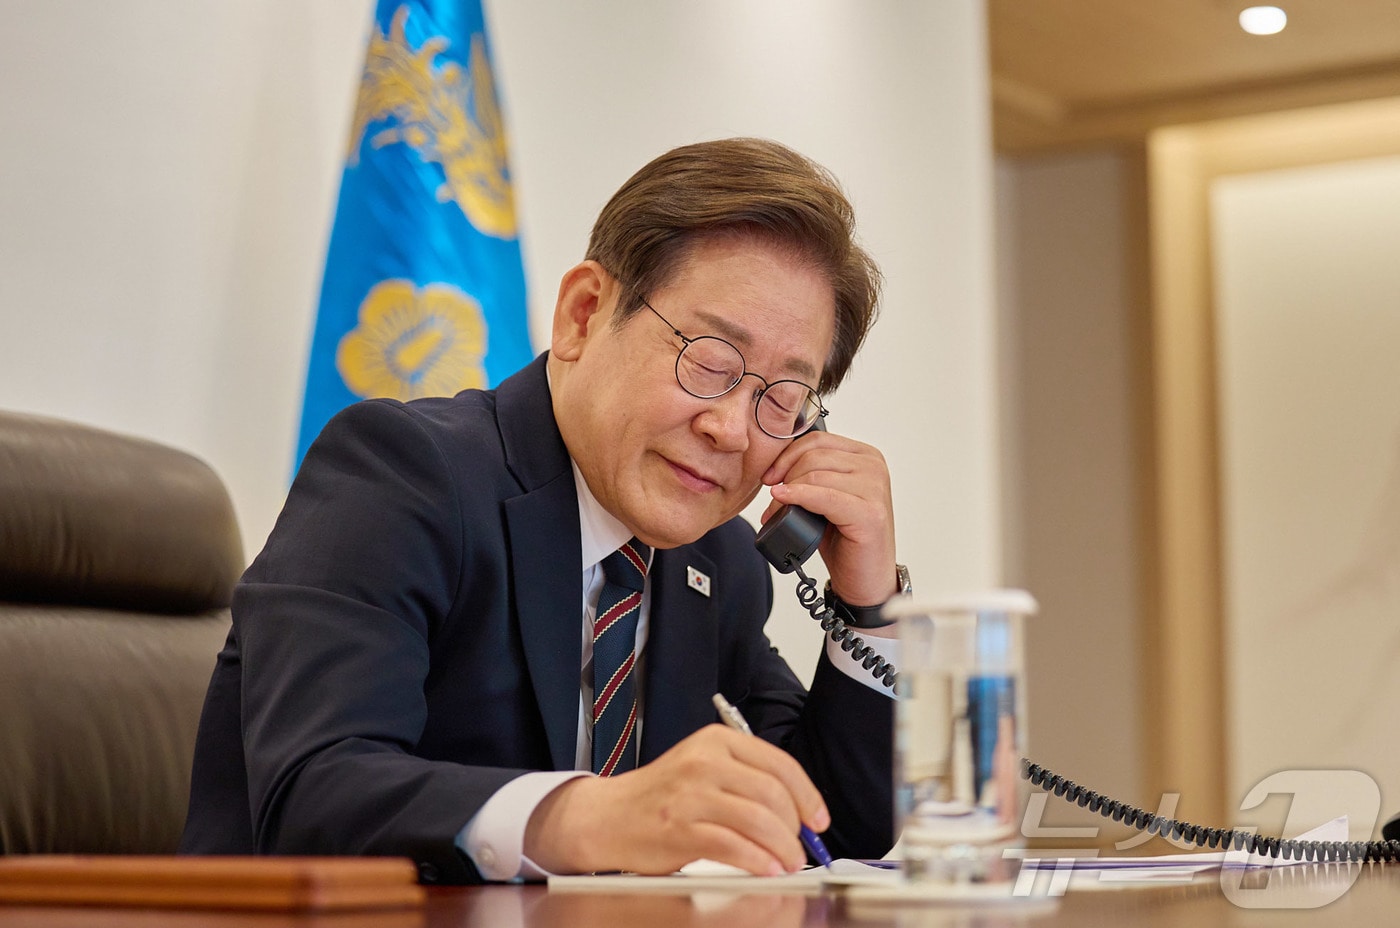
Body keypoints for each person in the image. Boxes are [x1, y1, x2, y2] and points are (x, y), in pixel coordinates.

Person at [181, 137, 907, 884]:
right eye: (711, 361)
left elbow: (830, 831)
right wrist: (584, 818)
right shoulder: (402, 474)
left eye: (781, 399)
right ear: (585, 315)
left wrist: (869, 604)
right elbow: (310, 793)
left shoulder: (715, 562)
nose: (730, 429)